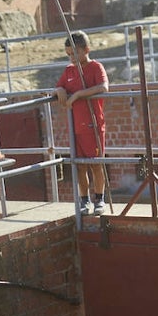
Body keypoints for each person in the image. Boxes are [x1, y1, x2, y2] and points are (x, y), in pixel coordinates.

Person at [55, 30, 110, 215]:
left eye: (75, 53)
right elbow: (57, 87)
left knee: (95, 164)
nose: (71, 58)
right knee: (79, 165)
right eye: (68, 54)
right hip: (75, 128)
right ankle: (84, 200)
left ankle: (100, 199)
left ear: (86, 49)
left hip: (93, 126)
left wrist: (78, 94)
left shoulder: (95, 67)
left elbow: (104, 87)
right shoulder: (69, 70)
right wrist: (60, 90)